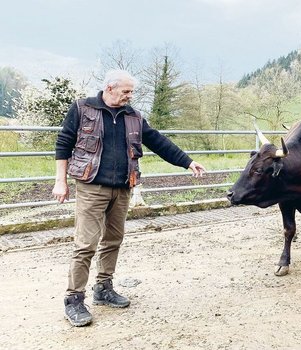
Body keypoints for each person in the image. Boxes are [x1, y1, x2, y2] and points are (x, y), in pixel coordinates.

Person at [52, 69, 206, 327]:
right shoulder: (83, 109)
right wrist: (61, 181)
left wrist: (188, 162)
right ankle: (74, 299)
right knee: (85, 244)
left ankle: (103, 288)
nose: (130, 96)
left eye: (131, 91)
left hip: (123, 187)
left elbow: (158, 142)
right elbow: (63, 144)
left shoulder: (134, 116)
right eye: (126, 91)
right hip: (91, 187)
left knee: (113, 240)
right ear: (109, 88)